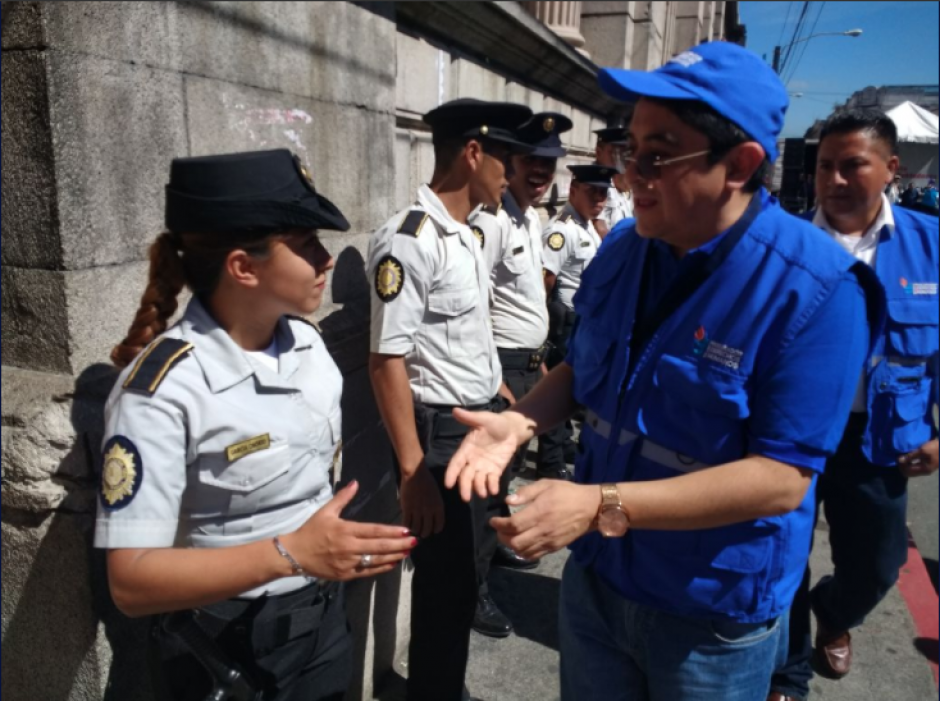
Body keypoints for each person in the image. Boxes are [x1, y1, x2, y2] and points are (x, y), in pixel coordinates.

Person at [444, 42, 884, 701]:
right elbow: (584, 365)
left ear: (740, 165)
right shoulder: (627, 245)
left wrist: (598, 503)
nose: (631, 174)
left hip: (708, 609)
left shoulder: (817, 289)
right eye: (630, 151)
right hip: (600, 576)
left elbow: (781, 479)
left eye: (658, 156)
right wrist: (520, 421)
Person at [94, 149, 416, 701]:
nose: (327, 260)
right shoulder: (162, 390)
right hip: (226, 642)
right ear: (243, 267)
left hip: (322, 617)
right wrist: (291, 554)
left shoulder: (307, 343)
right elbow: (130, 582)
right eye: (307, 244)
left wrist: (314, 561)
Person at [769, 110, 939, 701]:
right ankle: (787, 673)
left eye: (852, 166)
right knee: (782, 557)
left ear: (891, 169)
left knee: (877, 565)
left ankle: (836, 612)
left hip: (883, 437)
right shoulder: (782, 241)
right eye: (825, 167)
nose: (835, 180)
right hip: (791, 432)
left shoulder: (930, 244)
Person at [366, 98, 532, 701]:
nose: (512, 175)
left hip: (477, 429)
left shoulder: (464, 232)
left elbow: (460, 332)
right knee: (445, 589)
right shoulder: (410, 239)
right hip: (438, 444)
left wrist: (497, 388)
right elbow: (386, 360)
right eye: (506, 160)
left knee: (465, 580)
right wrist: (413, 472)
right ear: (473, 153)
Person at [467, 111, 574, 637]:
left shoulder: (530, 220)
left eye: (548, 165)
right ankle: (472, 592)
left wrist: (542, 362)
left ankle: (493, 554)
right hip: (502, 367)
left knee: (505, 480)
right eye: (531, 161)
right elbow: (472, 307)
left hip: (529, 364)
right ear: (508, 162)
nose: (540, 173)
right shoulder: (488, 222)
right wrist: (497, 380)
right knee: (486, 485)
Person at [540, 164, 615, 480]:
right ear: (573, 190)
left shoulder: (588, 227)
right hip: (566, 319)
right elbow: (546, 278)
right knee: (558, 389)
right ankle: (550, 461)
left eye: (603, 193)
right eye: (591, 191)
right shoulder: (562, 230)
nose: (599, 199)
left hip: (584, 320)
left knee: (575, 388)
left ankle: (562, 445)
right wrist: (546, 324)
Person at [593, 120, 634, 236]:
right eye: (614, 153)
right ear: (598, 153)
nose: (619, 159)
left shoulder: (622, 181)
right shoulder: (594, 182)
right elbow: (599, 228)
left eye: (623, 154)